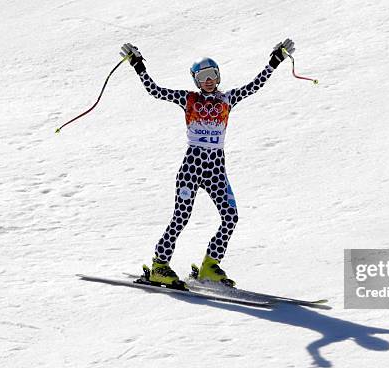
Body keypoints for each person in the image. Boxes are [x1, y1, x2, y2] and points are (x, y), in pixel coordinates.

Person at [120, 39, 295, 287]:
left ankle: (210, 265)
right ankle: (160, 264)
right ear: (195, 81)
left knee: (230, 216)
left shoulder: (227, 99)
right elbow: (155, 90)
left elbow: (255, 85)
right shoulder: (188, 99)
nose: (209, 80)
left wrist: (275, 61)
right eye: (202, 77)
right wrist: (137, 64)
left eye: (212, 74)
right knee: (181, 217)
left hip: (215, 169)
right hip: (192, 166)